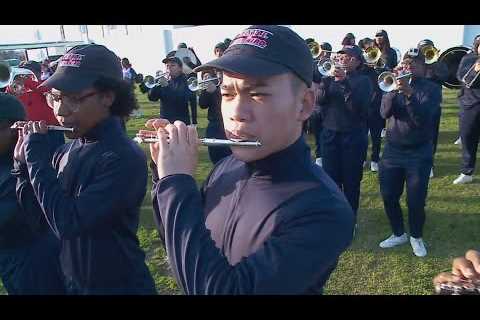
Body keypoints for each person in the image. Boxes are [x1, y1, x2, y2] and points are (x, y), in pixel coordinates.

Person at [142, 25, 354, 294]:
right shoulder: (225, 168)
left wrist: (176, 183)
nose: (236, 113)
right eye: (228, 94)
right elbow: (179, 245)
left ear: (304, 105)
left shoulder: (323, 210)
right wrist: (163, 177)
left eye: (258, 94)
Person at [13, 44, 156, 294]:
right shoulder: (67, 151)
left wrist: (36, 160)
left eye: (73, 99)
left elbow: (67, 223)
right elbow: (37, 219)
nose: (60, 111)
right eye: (55, 97)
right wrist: (22, 168)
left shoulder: (122, 157)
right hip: (75, 284)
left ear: (108, 96)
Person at [378, 48, 441, 257]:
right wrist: (394, 90)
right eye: (407, 62)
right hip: (393, 151)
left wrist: (408, 93)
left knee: (415, 199)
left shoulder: (432, 89)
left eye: (415, 63)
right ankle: (398, 233)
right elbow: (384, 113)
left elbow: (422, 119)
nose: (410, 66)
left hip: (418, 152)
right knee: (388, 195)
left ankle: (416, 236)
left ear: (424, 67)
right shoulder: (392, 84)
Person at [0, 93, 65, 294]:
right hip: (11, 261)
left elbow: (13, 217)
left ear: (16, 129)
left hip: (36, 263)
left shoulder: (32, 162)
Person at [317, 45, 372, 225]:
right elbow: (320, 101)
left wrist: (343, 82)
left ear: (356, 61)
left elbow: (358, 109)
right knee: (331, 180)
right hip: (330, 134)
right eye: (340, 55)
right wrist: (326, 81)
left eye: (346, 56)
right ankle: (334, 216)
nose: (341, 59)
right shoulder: (329, 77)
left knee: (351, 181)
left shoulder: (363, 81)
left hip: (353, 136)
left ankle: (350, 219)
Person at [5, 61, 65, 149]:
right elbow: (8, 102)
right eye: (22, 74)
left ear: (39, 73)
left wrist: (28, 82)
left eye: (28, 73)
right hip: (31, 131)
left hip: (52, 129)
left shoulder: (45, 83)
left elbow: (49, 90)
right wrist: (10, 87)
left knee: (58, 155)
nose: (24, 76)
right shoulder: (17, 88)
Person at [417, 39, 449, 178]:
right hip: (416, 104)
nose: (425, 52)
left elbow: (445, 77)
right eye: (422, 49)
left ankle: (429, 164)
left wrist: (432, 69)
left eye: (428, 49)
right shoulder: (415, 64)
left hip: (433, 105)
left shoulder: (439, 64)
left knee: (432, 136)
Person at [452, 35, 480, 184]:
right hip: (470, 105)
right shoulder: (468, 59)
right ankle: (467, 172)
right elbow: (464, 80)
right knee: (468, 138)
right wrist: (476, 70)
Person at [143, 56, 197, 125]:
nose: (169, 68)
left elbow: (181, 100)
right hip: (164, 122)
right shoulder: (164, 81)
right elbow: (152, 98)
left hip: (181, 123)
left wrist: (166, 87)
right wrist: (155, 85)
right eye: (167, 66)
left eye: (173, 65)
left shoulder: (186, 82)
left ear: (180, 68)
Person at [359, 38, 387, 172]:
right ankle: (363, 158)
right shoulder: (363, 68)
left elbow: (387, 77)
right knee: (362, 136)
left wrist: (378, 65)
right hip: (364, 107)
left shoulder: (381, 66)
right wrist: (366, 65)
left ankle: (375, 159)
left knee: (376, 137)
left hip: (377, 106)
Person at [198, 70, 231, 164]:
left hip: (226, 125)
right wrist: (207, 92)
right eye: (204, 77)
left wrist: (215, 92)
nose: (206, 79)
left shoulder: (227, 86)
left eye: (208, 76)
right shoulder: (210, 88)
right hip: (213, 125)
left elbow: (225, 105)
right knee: (214, 156)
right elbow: (203, 105)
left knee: (228, 156)